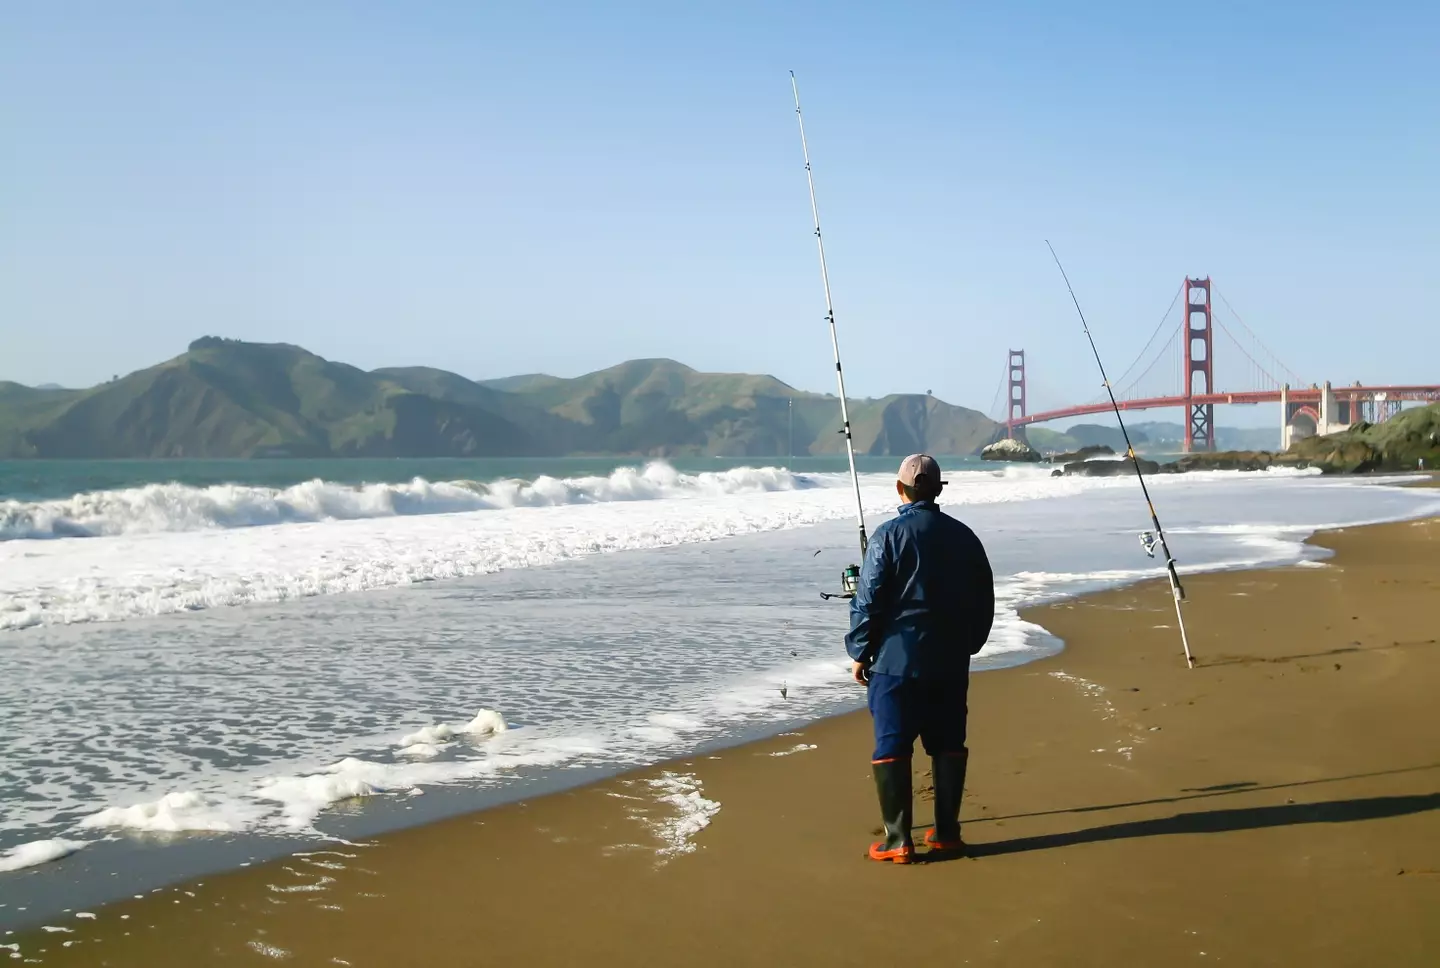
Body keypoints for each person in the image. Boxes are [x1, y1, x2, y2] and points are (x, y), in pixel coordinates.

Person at [845, 454, 995, 863]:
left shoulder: (887, 536)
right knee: (948, 742)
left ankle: (898, 839)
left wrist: (859, 650)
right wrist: (971, 642)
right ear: (939, 489)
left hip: (895, 661)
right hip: (949, 660)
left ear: (900, 489)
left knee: (893, 743)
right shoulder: (965, 536)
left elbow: (868, 599)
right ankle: (946, 832)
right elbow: (984, 597)